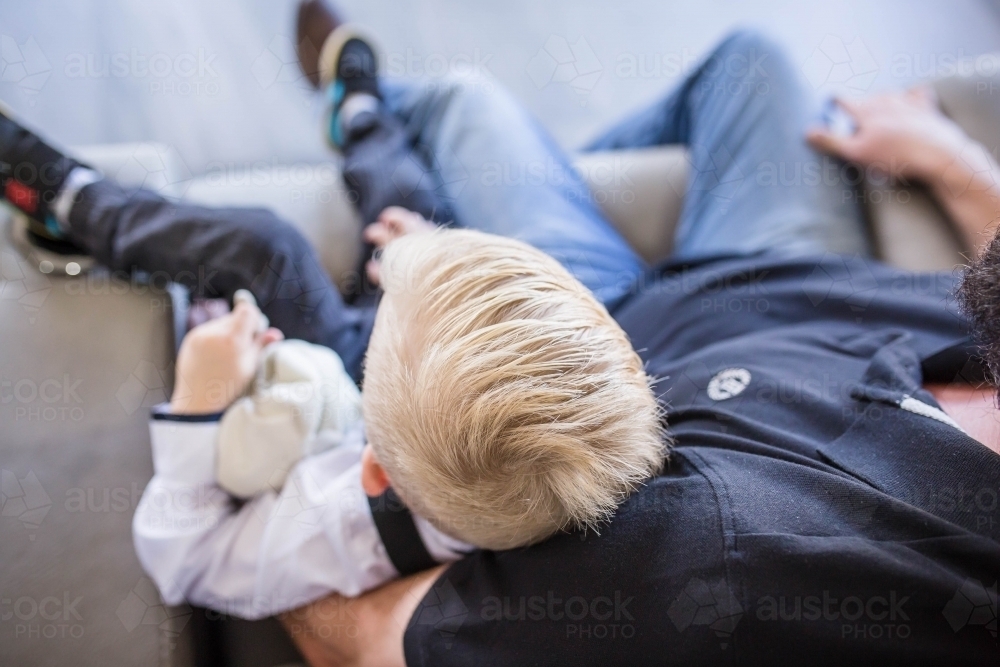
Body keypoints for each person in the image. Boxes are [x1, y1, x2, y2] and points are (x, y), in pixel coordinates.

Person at [264, 6, 996, 667]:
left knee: (466, 102)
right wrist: (956, 164)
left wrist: (265, 483)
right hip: (781, 268)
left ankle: (364, 103)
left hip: (591, 332)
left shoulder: (722, 569)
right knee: (751, 57)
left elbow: (361, 638)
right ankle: (549, 178)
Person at [0, 21, 663, 618]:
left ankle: (71, 204)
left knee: (268, 246)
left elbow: (183, 559)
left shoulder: (333, 529)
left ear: (375, 473)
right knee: (409, 206)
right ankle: (362, 118)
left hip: (338, 402)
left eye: (393, 306)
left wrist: (197, 405)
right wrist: (422, 252)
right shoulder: (566, 466)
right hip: (406, 408)